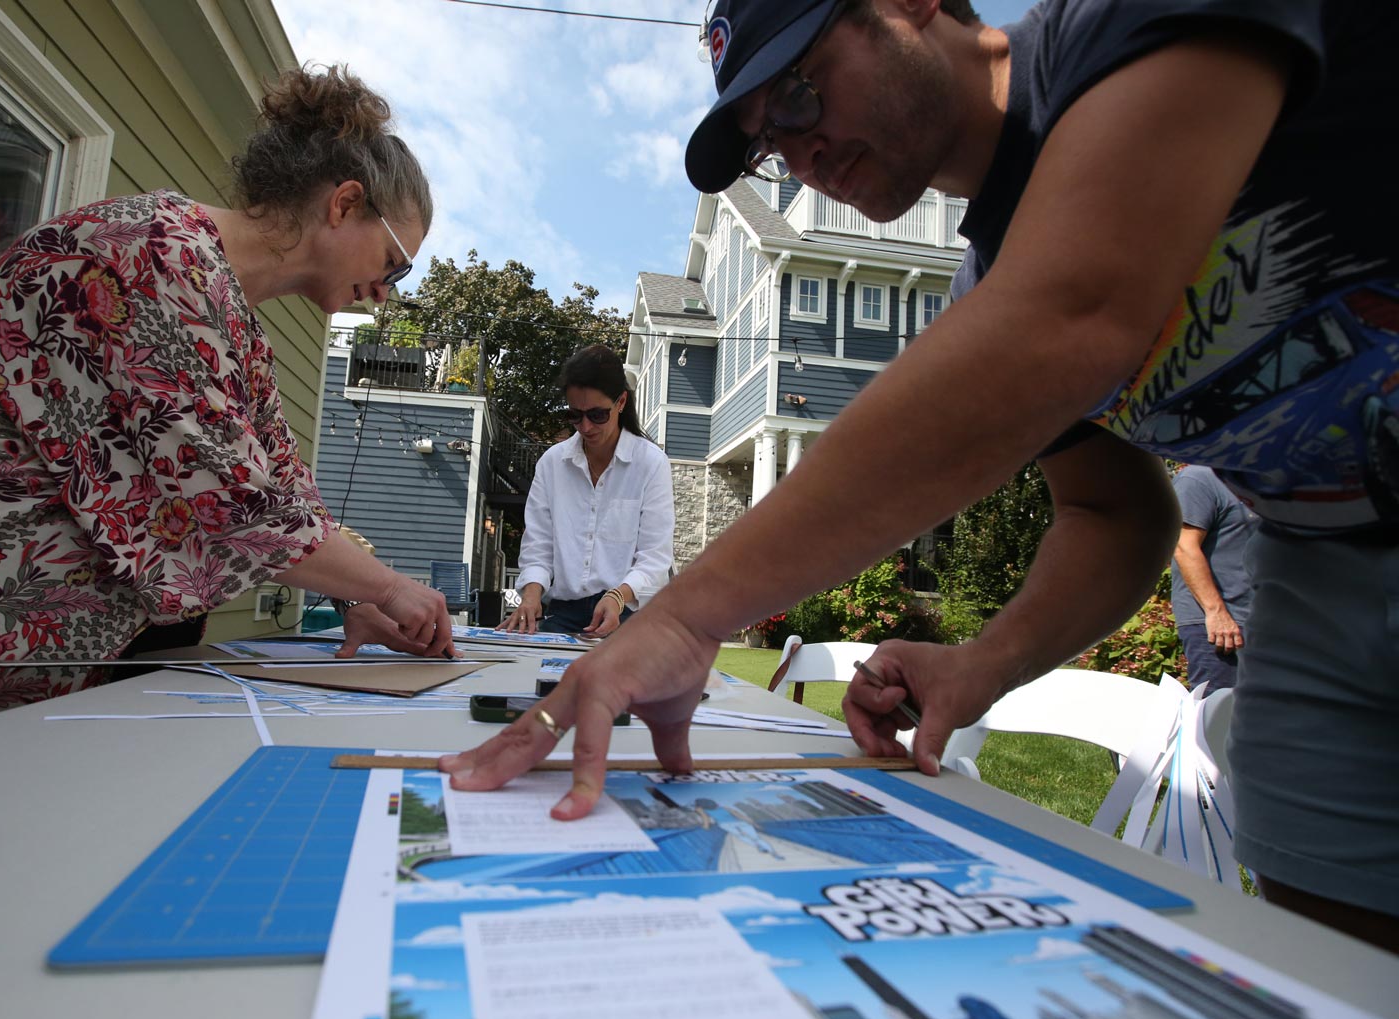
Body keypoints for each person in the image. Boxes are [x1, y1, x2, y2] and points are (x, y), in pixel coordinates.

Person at [444, 0, 1399, 952]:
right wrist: (980, 664)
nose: (798, 149)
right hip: (1318, 575)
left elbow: (1072, 313)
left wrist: (690, 614)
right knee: (1342, 974)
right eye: (769, 141)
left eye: (799, 93)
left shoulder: (1119, 26)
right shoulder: (988, 284)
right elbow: (1113, 514)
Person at [0, 66, 455, 756]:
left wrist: (360, 601)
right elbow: (233, 505)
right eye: (396, 262)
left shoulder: (238, 331)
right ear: (345, 204)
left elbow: (287, 498)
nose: (386, 293)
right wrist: (391, 585)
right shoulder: (150, 253)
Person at [499, 345, 674, 637]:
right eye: (575, 415)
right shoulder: (552, 464)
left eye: (597, 414)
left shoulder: (651, 464)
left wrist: (617, 597)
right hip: (562, 612)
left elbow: (655, 558)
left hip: (629, 615)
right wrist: (530, 595)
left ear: (621, 403)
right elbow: (538, 547)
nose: (586, 426)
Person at [1170, 465, 1259, 693]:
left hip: (1263, 623)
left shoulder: (1265, 485)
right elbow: (1183, 546)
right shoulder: (1200, 478)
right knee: (1217, 717)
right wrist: (1216, 612)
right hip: (1218, 625)